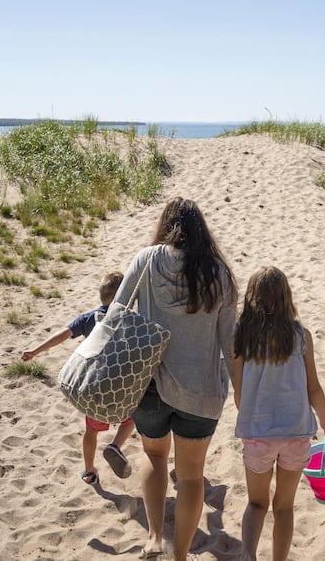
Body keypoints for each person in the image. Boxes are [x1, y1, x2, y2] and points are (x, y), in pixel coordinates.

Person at [116, 197, 237, 560]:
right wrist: (244, 396)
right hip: (201, 392)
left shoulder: (146, 259)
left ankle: (155, 537)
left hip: (149, 384)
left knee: (153, 456)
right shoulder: (220, 274)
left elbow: (117, 314)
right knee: (190, 476)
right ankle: (181, 553)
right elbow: (229, 343)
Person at [231, 266, 325, 561]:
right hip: (297, 432)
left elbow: (239, 394)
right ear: (286, 297)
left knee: (256, 504)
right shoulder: (301, 335)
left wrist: (254, 415)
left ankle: (248, 555)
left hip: (257, 433)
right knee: (284, 506)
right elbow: (314, 388)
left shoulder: (240, 337)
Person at [21, 271, 135, 486]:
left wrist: (35, 351)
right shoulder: (130, 320)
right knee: (133, 419)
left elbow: (62, 335)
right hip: (123, 387)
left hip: (95, 388)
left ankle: (89, 472)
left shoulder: (89, 318)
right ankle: (116, 445)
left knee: (91, 430)